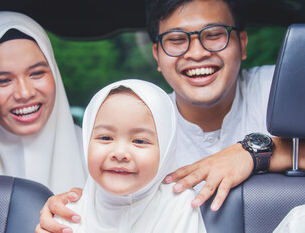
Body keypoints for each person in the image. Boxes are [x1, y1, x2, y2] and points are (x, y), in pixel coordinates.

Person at [36, 0, 305, 232]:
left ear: (242, 43)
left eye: (214, 35)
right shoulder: (144, 123)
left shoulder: (282, 89)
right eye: (177, 39)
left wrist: (256, 154)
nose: (196, 52)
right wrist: (75, 211)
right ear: (157, 54)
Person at [54, 79, 206, 232]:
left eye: (139, 141)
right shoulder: (70, 211)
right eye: (105, 138)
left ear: (166, 150)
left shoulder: (179, 205)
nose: (119, 153)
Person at [0, 11, 87, 194]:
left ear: (54, 72)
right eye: (2, 80)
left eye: (37, 73)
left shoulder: (100, 156)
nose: (24, 93)